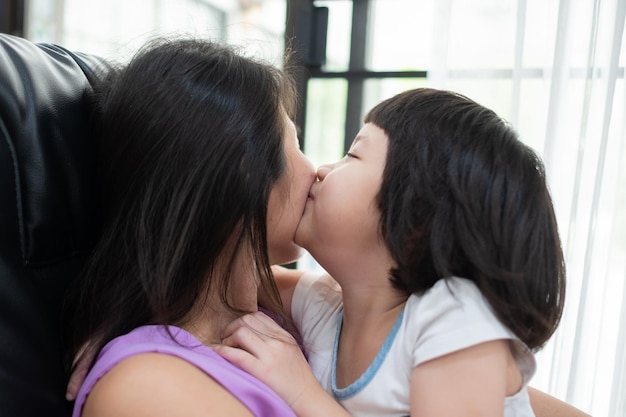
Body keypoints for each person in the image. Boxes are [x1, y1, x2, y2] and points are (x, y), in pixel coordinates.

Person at [216, 87, 568, 417]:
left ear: (416, 217)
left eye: (352, 155)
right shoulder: (324, 308)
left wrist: (303, 394)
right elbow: (220, 268)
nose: (322, 170)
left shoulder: (453, 319)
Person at [61, 37, 318, 417]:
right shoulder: (148, 387)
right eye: (294, 144)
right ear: (240, 176)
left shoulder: (270, 317)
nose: (316, 171)